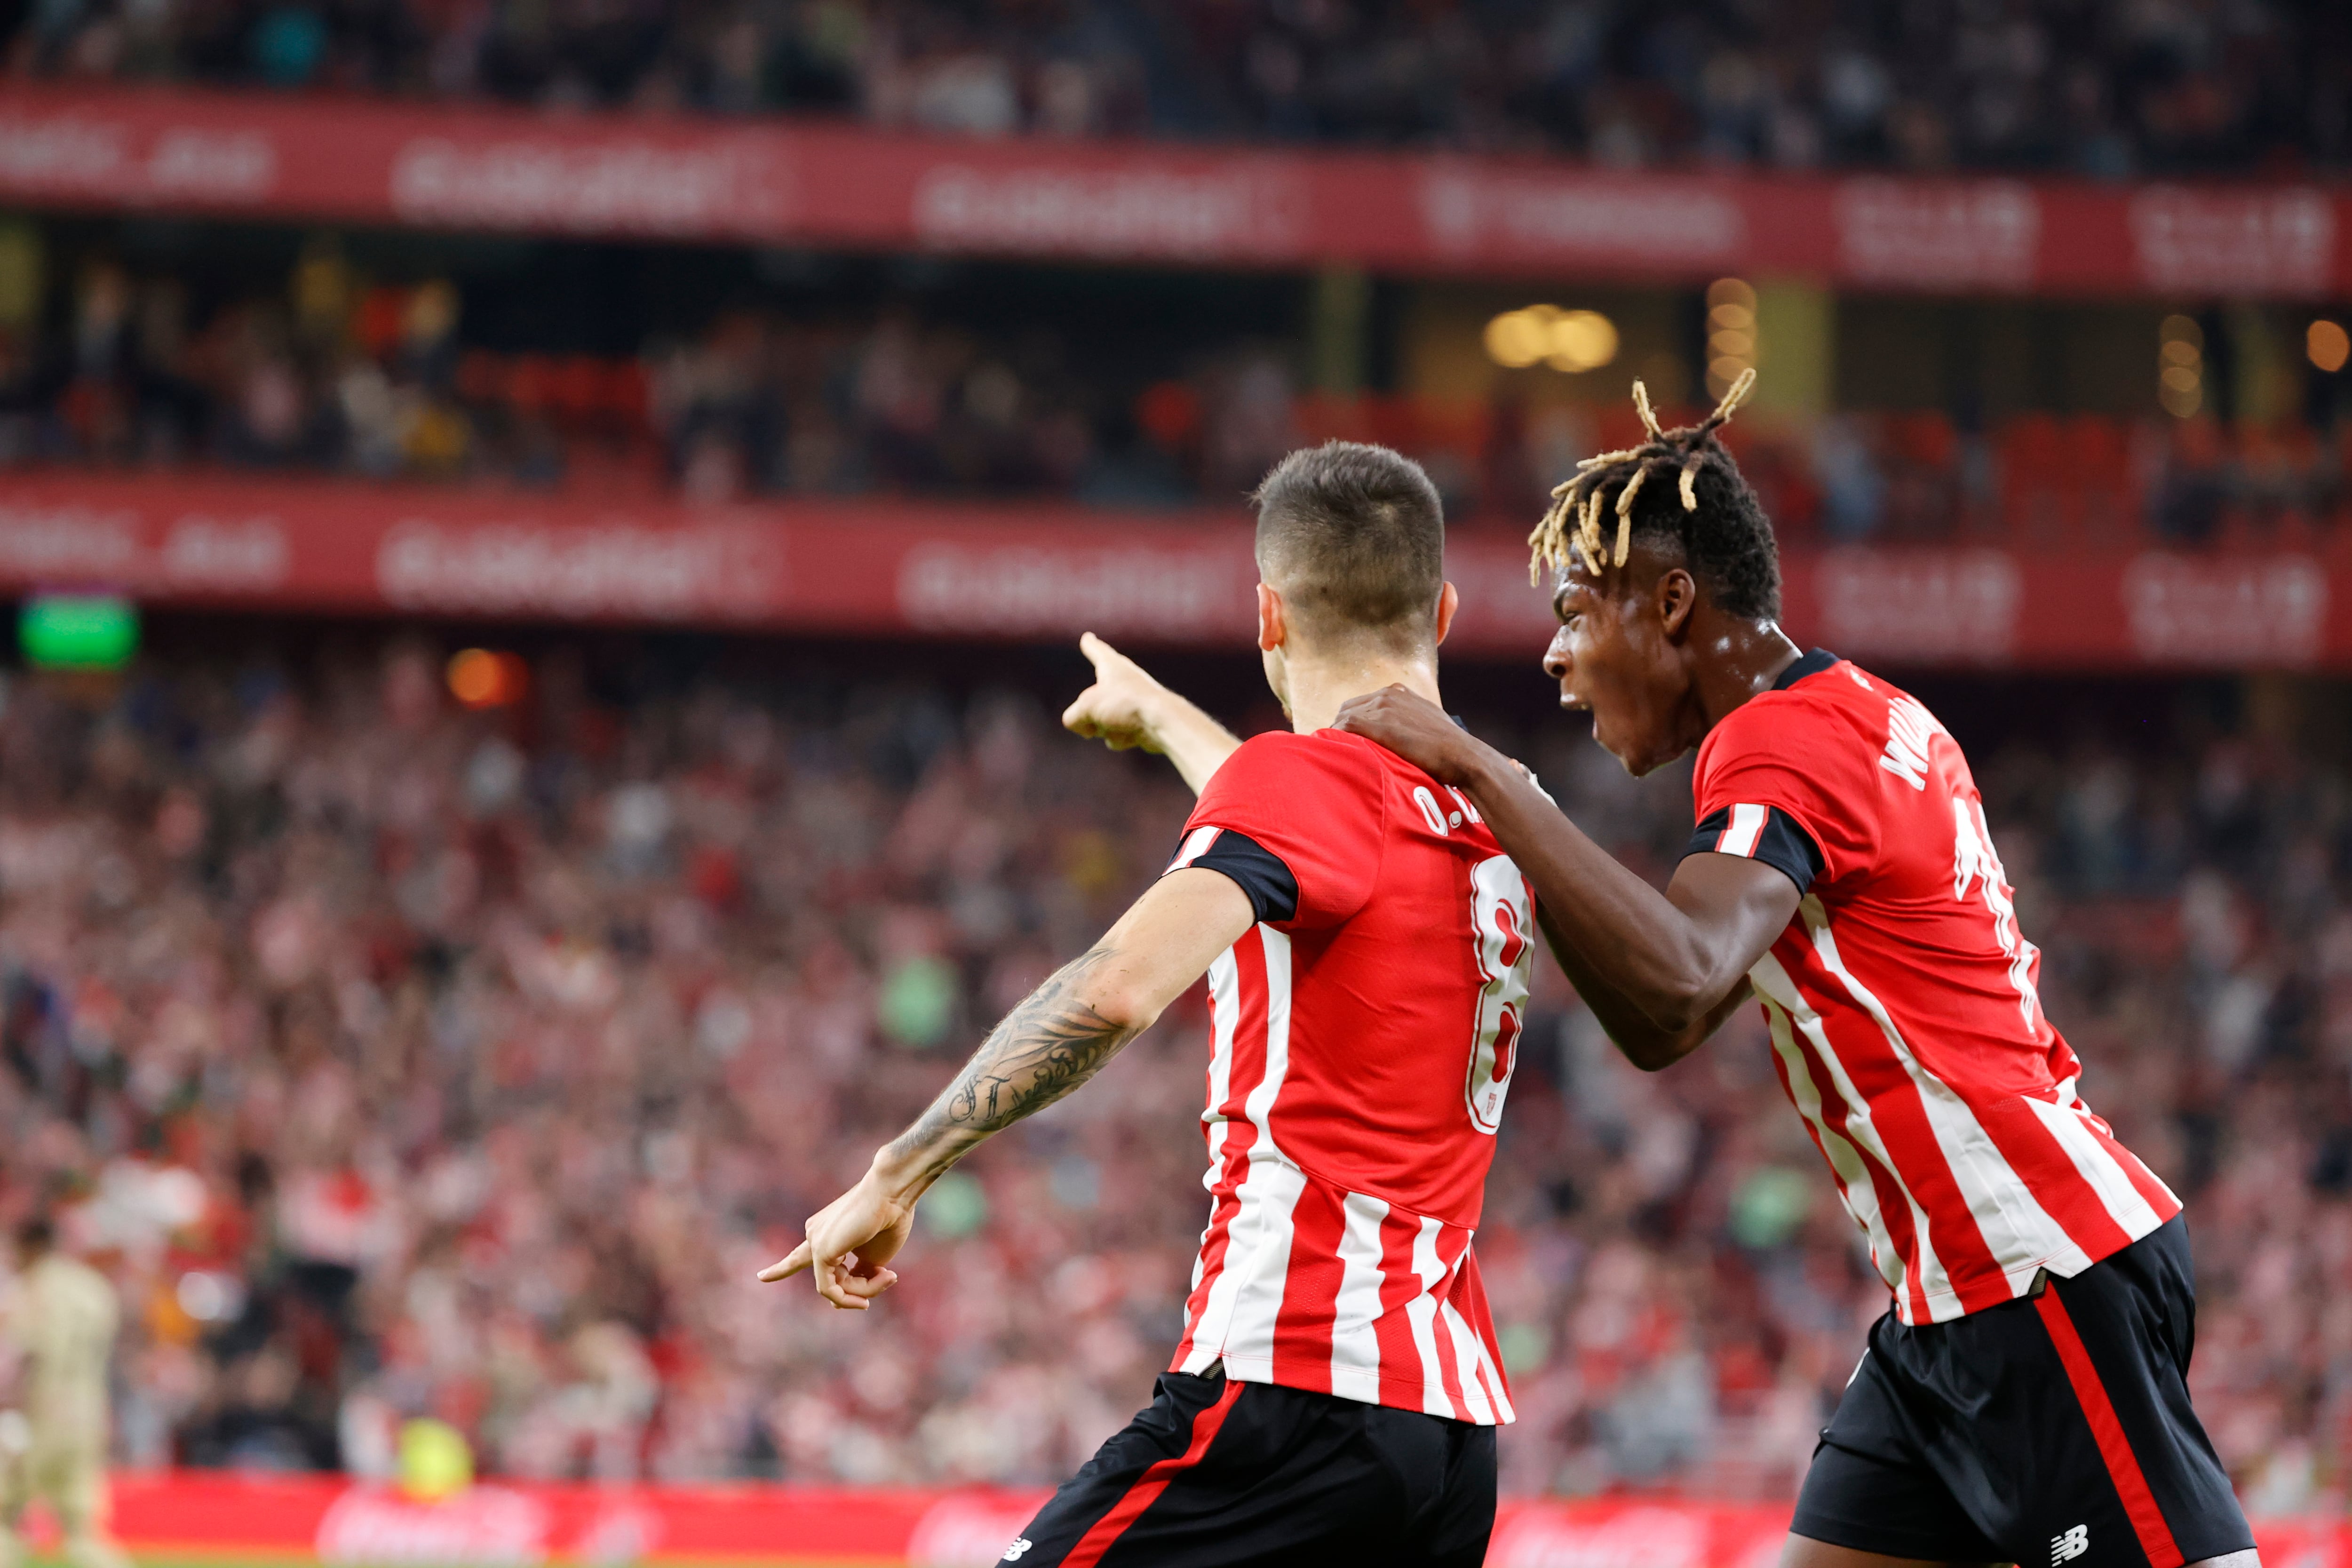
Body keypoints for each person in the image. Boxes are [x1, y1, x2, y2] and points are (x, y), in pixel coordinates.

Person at [1092, 377, 2257, 1568]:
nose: (1553, 656)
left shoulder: (1778, 737)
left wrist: (1488, 777)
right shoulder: (1861, 709)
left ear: (1671, 601)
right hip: (1943, 1309)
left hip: (2036, 1271)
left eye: (1574, 612)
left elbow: (1680, 992)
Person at [762, 442, 1534, 1566]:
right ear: (1447, 612)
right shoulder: (1497, 814)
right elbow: (1328, 855)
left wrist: (895, 1173)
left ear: (1268, 615)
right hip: (1446, 1431)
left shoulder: (1306, 779)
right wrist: (1172, 720)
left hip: (1291, 1386)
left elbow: (1118, 990)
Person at [0, 1218, 131, 1568]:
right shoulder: (94, 1288)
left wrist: (8, 1409)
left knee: (6, 1513)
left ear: (32, 1246)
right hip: (88, 1414)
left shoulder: (34, 1287)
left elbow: (26, 1355)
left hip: (42, 1410)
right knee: (82, 1527)